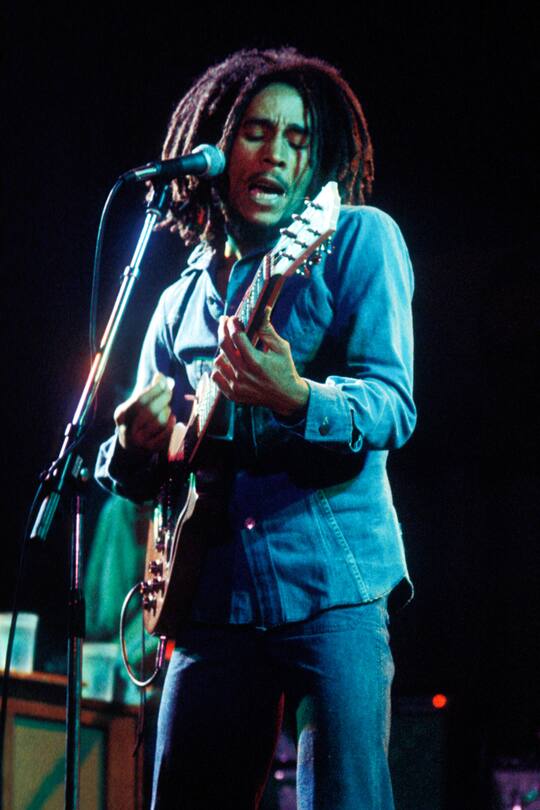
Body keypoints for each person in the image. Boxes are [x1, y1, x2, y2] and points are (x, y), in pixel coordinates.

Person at [96, 47, 416, 810]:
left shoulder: (358, 240)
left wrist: (296, 397)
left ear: (320, 156)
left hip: (332, 588)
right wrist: (134, 448)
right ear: (213, 148)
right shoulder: (177, 302)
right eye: (254, 132)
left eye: (298, 138)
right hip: (212, 604)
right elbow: (143, 470)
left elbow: (393, 405)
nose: (277, 152)